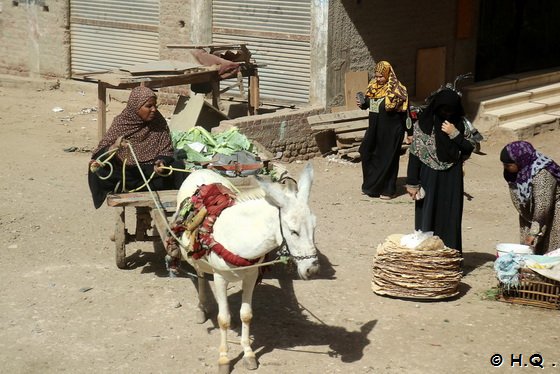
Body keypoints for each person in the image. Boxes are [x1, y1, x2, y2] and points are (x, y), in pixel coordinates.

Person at [88, 86, 187, 209]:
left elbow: (166, 150)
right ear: (135, 107)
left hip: (151, 171)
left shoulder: (159, 122)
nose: (154, 110)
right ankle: (121, 188)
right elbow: (100, 153)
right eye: (148, 106)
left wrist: (161, 161)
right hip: (128, 174)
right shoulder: (122, 123)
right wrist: (114, 147)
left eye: (155, 105)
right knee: (97, 167)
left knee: (178, 166)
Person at [405, 88, 474, 253]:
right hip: (429, 177)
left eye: (451, 110)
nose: (447, 114)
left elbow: (468, 148)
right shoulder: (423, 125)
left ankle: (449, 258)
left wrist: (455, 134)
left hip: (452, 177)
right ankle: (427, 258)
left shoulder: (461, 124)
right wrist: (412, 183)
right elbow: (415, 154)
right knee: (428, 217)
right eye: (443, 110)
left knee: (450, 217)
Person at [357, 60, 410, 199]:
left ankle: (388, 190)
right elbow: (370, 104)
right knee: (366, 152)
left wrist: (409, 132)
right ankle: (371, 187)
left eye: (381, 76)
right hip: (374, 130)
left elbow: (406, 113)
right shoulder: (373, 87)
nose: (378, 79)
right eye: (376, 76)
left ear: (388, 74)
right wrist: (362, 104)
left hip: (391, 132)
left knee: (388, 159)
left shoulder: (398, 90)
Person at [500, 141, 560, 255]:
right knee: (528, 251)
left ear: (520, 161)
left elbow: (543, 207)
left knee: (552, 253)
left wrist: (533, 233)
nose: (505, 168)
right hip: (532, 213)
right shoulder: (519, 171)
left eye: (508, 165)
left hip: (554, 212)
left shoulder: (542, 174)